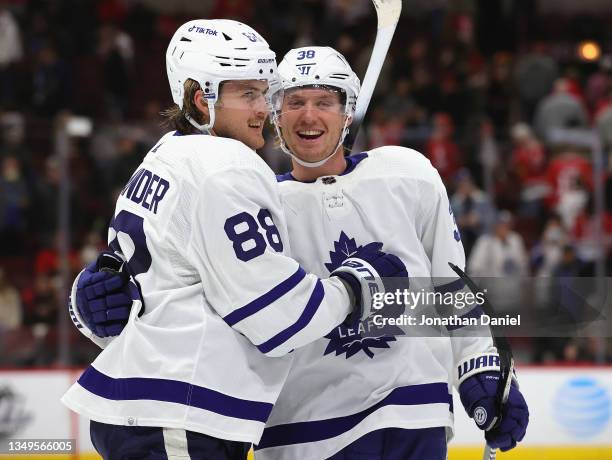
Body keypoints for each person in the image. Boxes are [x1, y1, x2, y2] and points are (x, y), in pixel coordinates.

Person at [73, 46, 529, 459]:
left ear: (347, 112)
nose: (308, 115)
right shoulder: (250, 201)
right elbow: (191, 304)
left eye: (324, 101)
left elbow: (450, 285)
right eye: (294, 102)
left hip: (413, 415)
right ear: (275, 114)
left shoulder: (408, 175)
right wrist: (95, 304)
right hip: (302, 433)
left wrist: (477, 366)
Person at [61, 21, 406, 460]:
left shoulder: (162, 156)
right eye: (247, 94)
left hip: (147, 405)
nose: (263, 108)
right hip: (179, 411)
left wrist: (84, 304)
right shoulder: (227, 167)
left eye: (264, 93)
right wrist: (356, 285)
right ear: (199, 98)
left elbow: (120, 293)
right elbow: (280, 319)